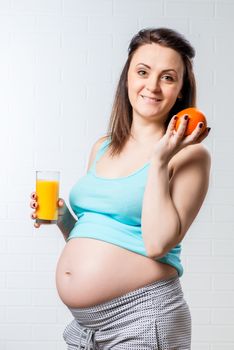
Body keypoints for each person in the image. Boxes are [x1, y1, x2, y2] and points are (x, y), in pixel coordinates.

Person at [30, 27, 211, 349]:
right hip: (86, 328)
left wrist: (159, 160)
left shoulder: (190, 156)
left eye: (168, 77)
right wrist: (61, 218)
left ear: (181, 90)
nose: (152, 86)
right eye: (143, 72)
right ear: (127, 77)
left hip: (142, 318)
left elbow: (157, 245)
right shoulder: (103, 147)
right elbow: (95, 233)